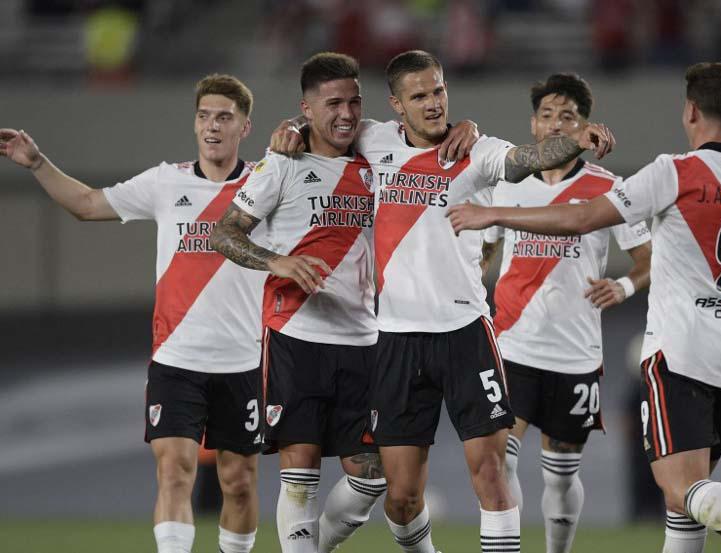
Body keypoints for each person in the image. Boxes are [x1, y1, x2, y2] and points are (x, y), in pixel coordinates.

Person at [447, 61, 721, 553]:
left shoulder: (671, 173)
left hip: (674, 353)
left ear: (690, 111)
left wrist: (492, 212)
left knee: (680, 489)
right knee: (684, 512)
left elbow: (583, 220)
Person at [271, 49, 615, 553]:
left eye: (439, 91)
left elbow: (525, 158)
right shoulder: (374, 138)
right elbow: (328, 126)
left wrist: (572, 141)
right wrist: (289, 133)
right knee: (402, 497)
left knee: (493, 476)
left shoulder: (476, 151)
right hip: (396, 341)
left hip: (466, 333)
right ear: (395, 104)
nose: (433, 104)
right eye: (419, 96)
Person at [0, 74, 265, 553]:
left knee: (240, 480)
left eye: (224, 117)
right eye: (204, 116)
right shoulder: (167, 181)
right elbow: (86, 204)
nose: (212, 126)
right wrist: (37, 162)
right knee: (174, 469)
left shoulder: (267, 187)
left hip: (242, 362)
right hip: (176, 359)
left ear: (244, 126)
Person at [210, 53, 385, 553]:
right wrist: (276, 262)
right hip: (296, 335)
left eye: (354, 101)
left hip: (364, 338)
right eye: (332, 103)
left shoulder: (377, 160)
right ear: (306, 109)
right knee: (300, 473)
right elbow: (224, 233)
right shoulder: (281, 164)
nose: (346, 113)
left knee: (371, 476)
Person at [479, 73, 652, 553]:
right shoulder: (505, 184)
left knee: (560, 476)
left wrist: (622, 284)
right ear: (534, 125)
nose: (556, 124)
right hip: (512, 344)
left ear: (585, 126)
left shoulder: (608, 187)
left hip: (574, 353)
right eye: (548, 115)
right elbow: (485, 251)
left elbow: (648, 259)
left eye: (568, 116)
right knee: (500, 462)